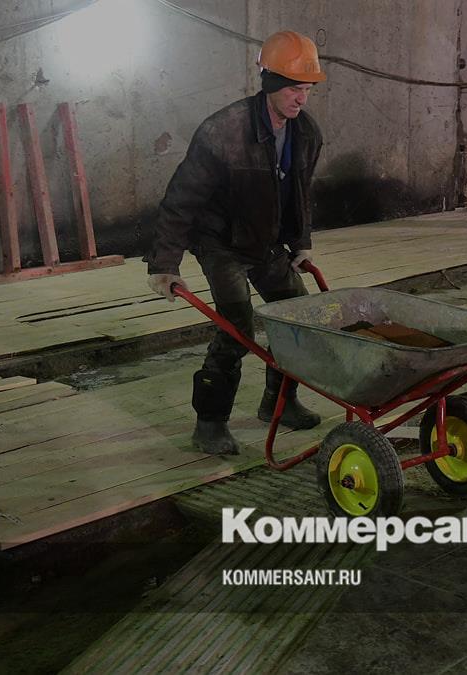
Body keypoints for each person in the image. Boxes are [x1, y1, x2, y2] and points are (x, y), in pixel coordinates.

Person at [145, 31, 327, 455]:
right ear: (270, 83)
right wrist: (164, 264)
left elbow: (300, 191)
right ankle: (210, 424)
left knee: (298, 318)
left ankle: (279, 404)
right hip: (221, 244)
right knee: (237, 327)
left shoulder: (306, 133)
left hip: (266, 242)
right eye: (294, 89)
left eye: (307, 89)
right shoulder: (222, 132)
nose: (301, 99)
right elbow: (181, 199)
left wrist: (301, 239)